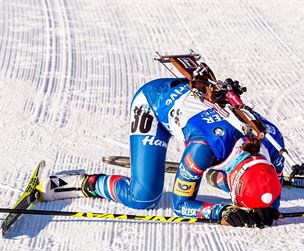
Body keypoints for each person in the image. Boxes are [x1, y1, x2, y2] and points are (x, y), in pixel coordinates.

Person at [38, 77, 286, 228]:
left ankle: (212, 176)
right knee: (143, 197)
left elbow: (275, 188)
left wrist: (270, 206)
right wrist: (221, 211)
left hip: (196, 111)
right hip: (153, 103)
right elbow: (181, 205)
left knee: (219, 176)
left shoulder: (273, 143)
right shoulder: (202, 150)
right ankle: (84, 183)